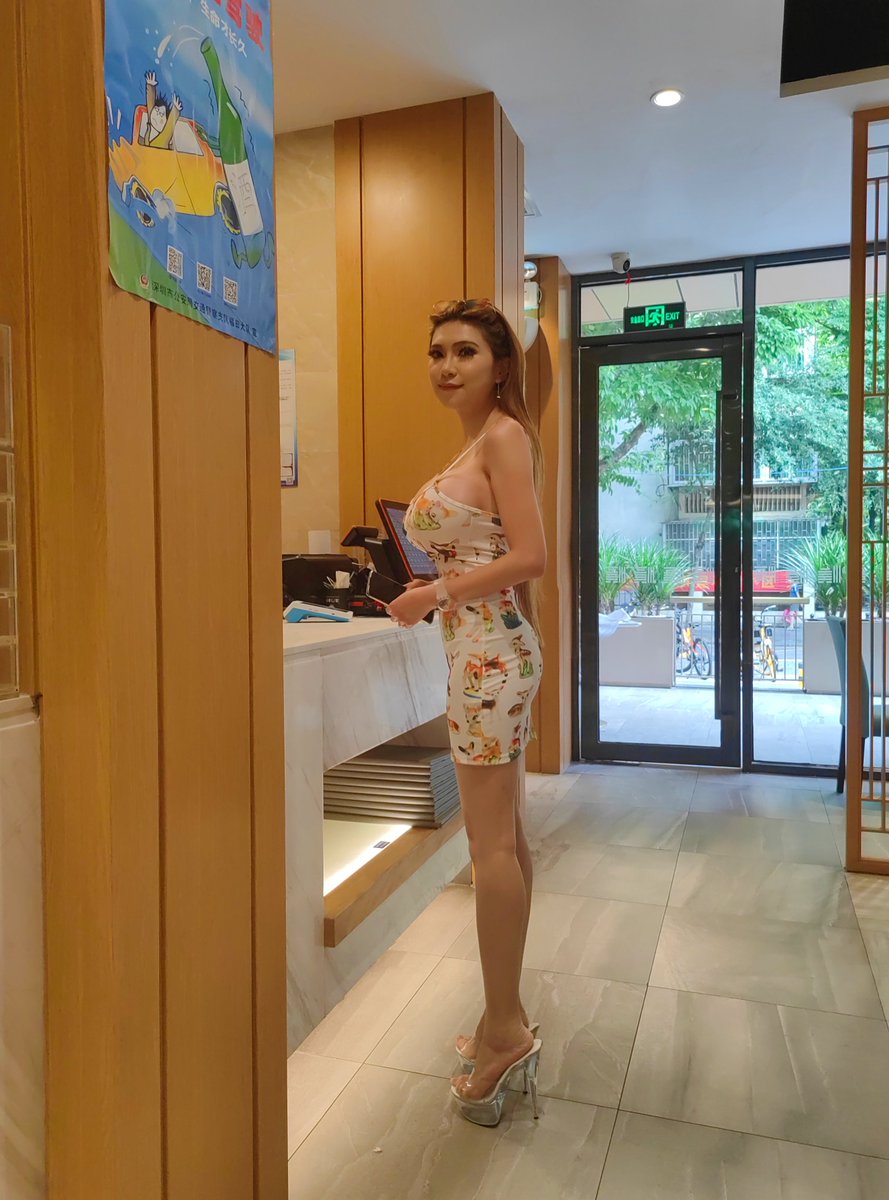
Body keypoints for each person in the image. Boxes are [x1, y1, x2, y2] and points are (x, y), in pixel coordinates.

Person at [388, 298, 546, 1127]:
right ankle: (499, 1016)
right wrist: (441, 593)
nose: (446, 366)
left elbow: (531, 556)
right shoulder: (477, 440)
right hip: (481, 650)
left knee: (491, 850)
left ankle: (505, 1033)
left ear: (500, 366)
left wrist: (435, 593)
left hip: (489, 656)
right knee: (504, 840)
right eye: (436, 352)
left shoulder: (503, 437)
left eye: (464, 352)